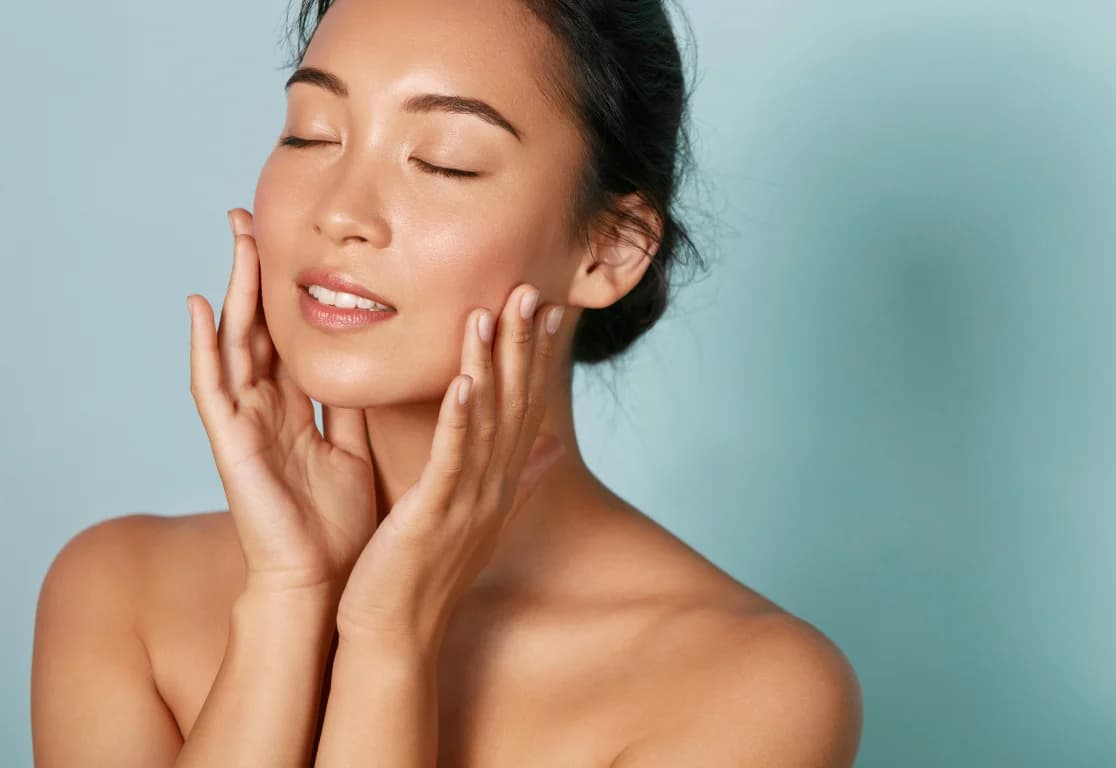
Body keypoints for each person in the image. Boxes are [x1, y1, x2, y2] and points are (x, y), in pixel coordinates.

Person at [30, 0, 863, 764]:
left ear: (608, 249)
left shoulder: (748, 691)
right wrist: (289, 599)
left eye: (444, 161)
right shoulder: (118, 594)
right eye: (313, 133)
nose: (341, 211)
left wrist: (389, 637)